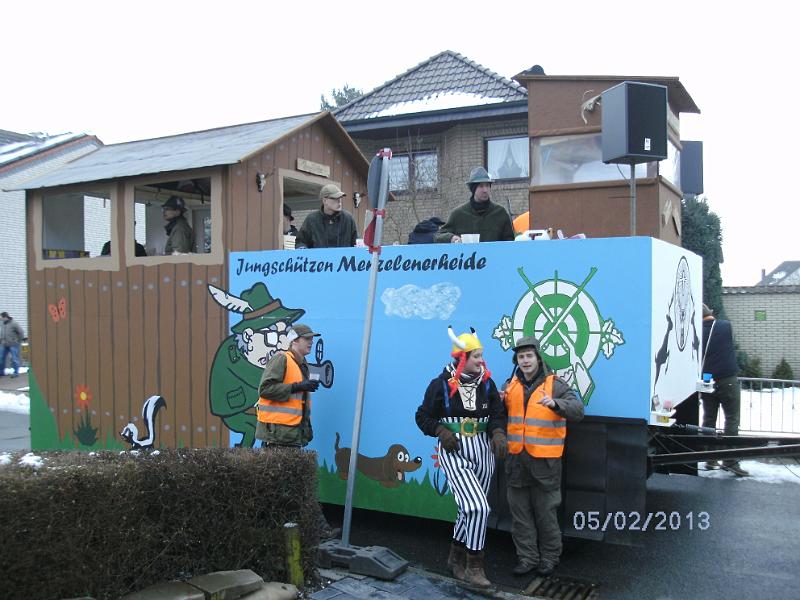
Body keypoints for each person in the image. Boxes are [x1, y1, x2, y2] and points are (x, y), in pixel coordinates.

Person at [415, 327, 507, 590]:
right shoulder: (440, 384)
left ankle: (454, 559)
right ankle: (474, 567)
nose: (481, 360)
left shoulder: (487, 383)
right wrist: (440, 431)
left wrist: (498, 433)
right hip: (455, 451)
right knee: (478, 508)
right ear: (462, 358)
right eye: (476, 356)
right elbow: (422, 416)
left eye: (481, 355)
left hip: (483, 450)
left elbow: (497, 414)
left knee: (468, 510)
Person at [502, 336, 584, 578]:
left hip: (545, 464)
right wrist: (499, 400)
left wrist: (556, 404)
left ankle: (549, 558)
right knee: (520, 516)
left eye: (529, 355)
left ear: (538, 357)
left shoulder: (555, 385)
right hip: (516, 462)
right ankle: (527, 558)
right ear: (516, 360)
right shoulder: (509, 386)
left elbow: (578, 410)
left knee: (546, 514)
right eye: (521, 357)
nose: (525, 360)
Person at [256, 322, 341, 538]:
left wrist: (305, 430)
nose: (311, 342)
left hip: (289, 436)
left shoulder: (301, 364)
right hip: (279, 436)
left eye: (312, 338)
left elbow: (297, 404)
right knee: (298, 485)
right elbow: (265, 389)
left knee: (283, 486)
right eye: (307, 338)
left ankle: (270, 529)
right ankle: (319, 529)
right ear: (294, 340)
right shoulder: (282, 359)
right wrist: (297, 386)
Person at [701, 304, 748, 477]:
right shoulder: (725, 326)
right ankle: (730, 461)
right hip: (727, 380)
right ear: (711, 313)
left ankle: (710, 459)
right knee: (732, 419)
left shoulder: (696, 332)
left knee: (709, 420)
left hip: (707, 382)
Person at [434, 167, 515, 244]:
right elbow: (438, 236)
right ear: (473, 189)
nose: (485, 190)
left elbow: (510, 241)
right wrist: (451, 238)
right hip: (469, 254)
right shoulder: (458, 214)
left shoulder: (500, 213)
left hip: (495, 254)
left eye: (487, 185)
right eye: (481, 186)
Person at [295, 184, 357, 248]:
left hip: (344, 255)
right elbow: (300, 242)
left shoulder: (348, 219)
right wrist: (302, 248)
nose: (339, 202)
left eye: (340, 198)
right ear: (325, 201)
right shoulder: (312, 219)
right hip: (318, 255)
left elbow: (356, 243)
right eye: (335, 198)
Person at [0, 312, 25, 378]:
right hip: (4, 344)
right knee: (1, 358)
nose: (0, 319)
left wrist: (18, 341)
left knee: (14, 359)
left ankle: (16, 373)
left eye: (1, 318)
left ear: (5, 317)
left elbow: (21, 332)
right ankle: (1, 372)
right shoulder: (2, 323)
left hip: (13, 344)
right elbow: (2, 332)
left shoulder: (14, 323)